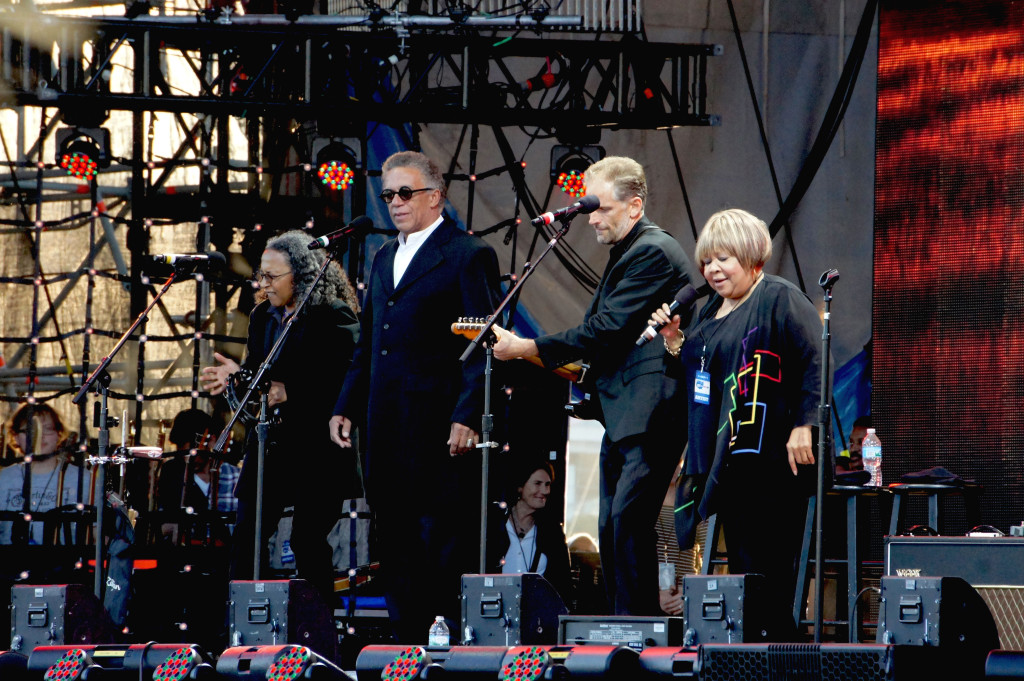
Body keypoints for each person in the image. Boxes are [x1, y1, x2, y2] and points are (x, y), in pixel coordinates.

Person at [492, 156, 692, 615]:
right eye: (589, 208)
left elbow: (606, 328)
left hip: (651, 414)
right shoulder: (628, 252)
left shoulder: (652, 251)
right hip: (623, 415)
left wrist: (528, 348)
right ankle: (627, 626)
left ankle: (639, 632)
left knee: (626, 522)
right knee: (612, 527)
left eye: (600, 208)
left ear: (634, 206)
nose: (592, 218)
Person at [328, 150, 501, 642]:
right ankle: (404, 645)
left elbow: (484, 343)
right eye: (388, 195)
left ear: (436, 195)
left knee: (440, 542)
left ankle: (443, 643)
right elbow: (368, 342)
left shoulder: (468, 254)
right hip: (385, 425)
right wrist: (345, 403)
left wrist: (469, 412)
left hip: (437, 428)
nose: (395, 203)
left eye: (406, 192)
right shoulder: (383, 256)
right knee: (396, 542)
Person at [653, 208, 823, 640]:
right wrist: (675, 341)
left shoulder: (779, 298)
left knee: (768, 570)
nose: (712, 269)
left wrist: (804, 424)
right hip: (728, 463)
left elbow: (816, 359)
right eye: (707, 261)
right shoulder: (709, 312)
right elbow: (695, 379)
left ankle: (780, 652)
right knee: (747, 569)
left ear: (752, 258)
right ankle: (751, 650)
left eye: (724, 259)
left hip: (771, 460)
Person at [201, 230, 361, 599]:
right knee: (246, 535)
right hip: (270, 444)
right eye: (262, 275)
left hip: (317, 447)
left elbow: (347, 377)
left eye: (272, 276)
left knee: (306, 540)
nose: (263, 283)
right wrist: (236, 379)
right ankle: (240, 626)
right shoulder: (262, 317)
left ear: (301, 274)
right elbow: (258, 377)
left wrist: (292, 391)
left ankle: (318, 627)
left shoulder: (332, 314)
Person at [0, 403, 90, 545]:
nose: (40, 437)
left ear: (59, 435)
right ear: (16, 437)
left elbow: (98, 536)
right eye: (30, 429)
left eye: (47, 429)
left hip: (65, 564)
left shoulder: (83, 479)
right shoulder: (4, 478)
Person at [487, 460, 571, 604]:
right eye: (537, 483)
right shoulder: (495, 525)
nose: (545, 491)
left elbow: (563, 585)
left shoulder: (551, 533)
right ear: (520, 487)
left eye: (547, 485)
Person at [156, 408, 240, 543]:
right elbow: (162, 523)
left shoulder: (236, 478)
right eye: (181, 451)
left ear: (211, 441)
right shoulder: (172, 474)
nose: (186, 458)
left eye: (191, 451)